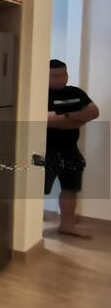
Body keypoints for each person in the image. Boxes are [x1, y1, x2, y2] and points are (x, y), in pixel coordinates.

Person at [46, 59, 99, 238]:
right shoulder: (40, 93)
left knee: (70, 188)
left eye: (64, 74)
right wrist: (77, 119)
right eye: (55, 75)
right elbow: (44, 120)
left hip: (70, 150)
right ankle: (27, 235)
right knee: (34, 190)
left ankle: (66, 226)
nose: (61, 78)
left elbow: (93, 112)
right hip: (45, 152)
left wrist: (65, 116)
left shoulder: (76, 92)